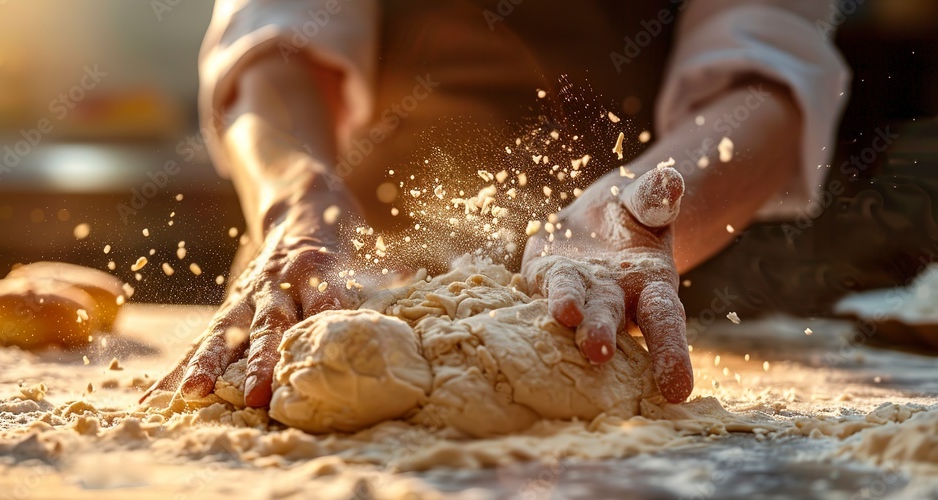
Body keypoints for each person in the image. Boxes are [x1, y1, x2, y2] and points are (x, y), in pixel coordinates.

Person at [144, 0, 849, 407]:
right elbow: (278, 44)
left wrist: (630, 220)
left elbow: (768, 80)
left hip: (632, 283)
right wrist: (300, 208)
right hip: (344, 276)